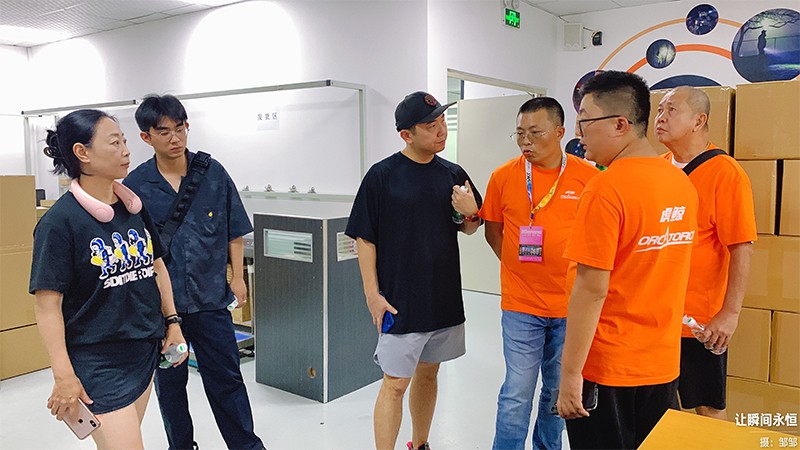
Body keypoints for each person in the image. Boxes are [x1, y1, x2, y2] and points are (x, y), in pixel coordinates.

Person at [555, 71, 699, 449]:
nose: (579, 133)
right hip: (662, 363)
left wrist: (570, 375)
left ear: (620, 124)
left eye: (586, 120)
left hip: (609, 367)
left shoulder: (606, 188)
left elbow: (592, 289)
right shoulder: (681, 184)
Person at [30, 109, 187, 449]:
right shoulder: (59, 223)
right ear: (82, 152)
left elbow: (157, 266)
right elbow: (47, 307)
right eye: (114, 143)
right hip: (99, 362)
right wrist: (63, 375)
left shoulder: (132, 208)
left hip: (144, 350)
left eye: (124, 141)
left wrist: (172, 322)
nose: (126, 151)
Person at [124, 95, 264, 450]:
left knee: (227, 380)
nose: (175, 138)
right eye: (164, 132)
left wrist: (237, 277)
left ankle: (246, 446)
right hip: (164, 308)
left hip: (211, 300)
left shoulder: (212, 173)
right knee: (171, 387)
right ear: (146, 137)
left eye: (180, 128)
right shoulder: (136, 184)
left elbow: (234, 228)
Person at [345, 91, 482, 450]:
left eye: (442, 122)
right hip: (400, 300)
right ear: (406, 134)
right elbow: (364, 238)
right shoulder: (382, 176)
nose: (441, 131)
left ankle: (420, 444)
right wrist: (372, 295)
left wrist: (470, 212)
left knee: (429, 372)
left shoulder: (453, 173)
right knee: (395, 383)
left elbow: (469, 227)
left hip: (442, 296)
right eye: (430, 125)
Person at [480, 97, 598, 450]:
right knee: (517, 392)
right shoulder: (503, 176)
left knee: (557, 391)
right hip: (521, 305)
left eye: (535, 132)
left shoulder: (590, 177)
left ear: (560, 132)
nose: (525, 141)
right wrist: (517, 269)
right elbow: (493, 231)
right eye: (520, 133)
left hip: (571, 306)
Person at [655, 86, 756, 420]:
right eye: (659, 110)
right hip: (655, 317)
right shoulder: (658, 169)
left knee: (708, 407)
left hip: (700, 322)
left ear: (699, 121)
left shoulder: (725, 172)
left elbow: (741, 246)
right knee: (657, 407)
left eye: (671, 110)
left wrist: (729, 314)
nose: (660, 117)